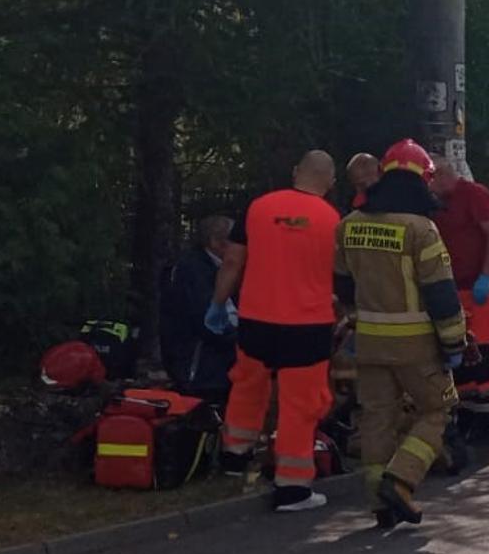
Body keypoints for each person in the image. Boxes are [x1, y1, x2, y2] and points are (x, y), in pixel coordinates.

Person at [335, 140, 469, 528]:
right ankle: (402, 480)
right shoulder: (420, 229)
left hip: (370, 342)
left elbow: (343, 285)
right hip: (416, 345)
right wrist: (454, 342)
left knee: (377, 417)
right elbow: (441, 295)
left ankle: (379, 502)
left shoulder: (349, 225)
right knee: (438, 410)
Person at [208, 151, 341, 512]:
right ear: (329, 182)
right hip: (307, 326)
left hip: (256, 318)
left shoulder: (259, 208)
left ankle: (234, 458)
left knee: (248, 386)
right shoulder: (332, 220)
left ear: (296, 171)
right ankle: (293, 487)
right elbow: (341, 272)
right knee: (301, 405)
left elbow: (233, 260)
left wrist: (219, 303)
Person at [429, 155, 489, 465]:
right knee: (458, 356)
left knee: (485, 355)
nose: (433, 186)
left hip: (483, 286)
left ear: (447, 175)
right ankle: (466, 418)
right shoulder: (434, 203)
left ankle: (486, 422)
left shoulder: (475, 195)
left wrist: (486, 276)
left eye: (436, 179)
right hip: (452, 287)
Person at [160, 214, 237, 400]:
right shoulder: (193, 271)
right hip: (200, 366)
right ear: (216, 242)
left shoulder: (221, 269)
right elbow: (210, 323)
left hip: (216, 361)